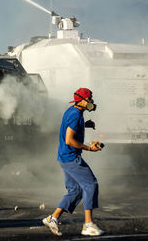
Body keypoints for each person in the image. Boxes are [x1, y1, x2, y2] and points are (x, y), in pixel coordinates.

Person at [42, 88, 105, 237]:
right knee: (91, 184)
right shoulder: (76, 115)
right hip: (70, 157)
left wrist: (85, 124)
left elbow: (69, 128)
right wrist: (89, 148)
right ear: (81, 100)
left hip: (64, 157)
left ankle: (53, 218)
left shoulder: (73, 111)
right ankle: (88, 225)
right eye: (89, 99)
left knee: (76, 191)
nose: (91, 102)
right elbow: (69, 139)